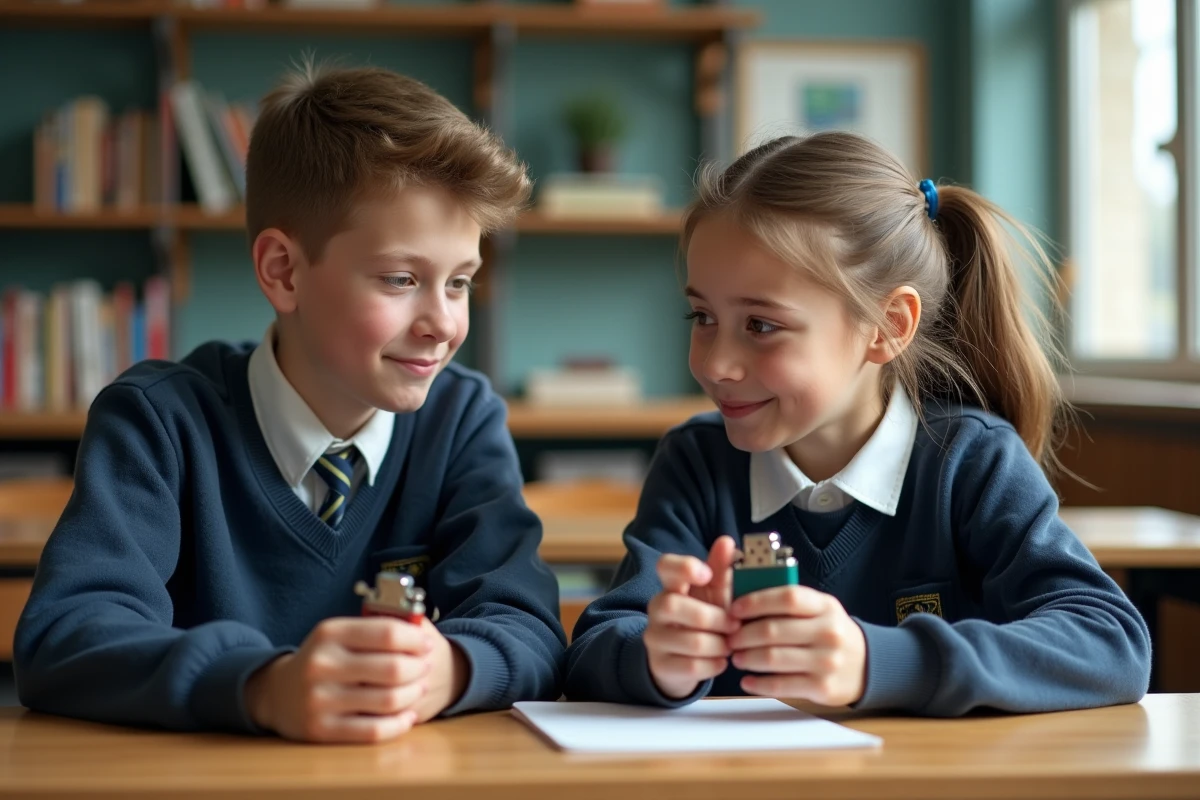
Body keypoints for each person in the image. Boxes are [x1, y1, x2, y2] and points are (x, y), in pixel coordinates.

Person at [15, 63, 566, 742]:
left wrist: (446, 668)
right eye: (401, 279)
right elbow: (65, 636)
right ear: (283, 271)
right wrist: (263, 685)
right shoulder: (158, 421)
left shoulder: (461, 421)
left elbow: (532, 629)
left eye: (459, 283)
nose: (444, 323)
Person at [563, 132, 1150, 715]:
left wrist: (877, 661)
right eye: (703, 316)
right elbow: (594, 649)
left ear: (888, 326)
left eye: (761, 326)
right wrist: (657, 659)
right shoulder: (696, 461)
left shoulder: (970, 461)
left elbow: (1111, 642)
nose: (714, 364)